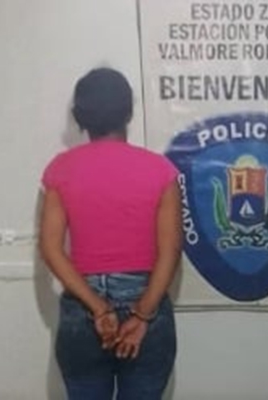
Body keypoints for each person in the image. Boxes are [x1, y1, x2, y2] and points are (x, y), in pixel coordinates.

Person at [39, 67, 182, 400]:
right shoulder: (161, 170)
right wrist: (142, 314)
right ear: (128, 113)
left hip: (83, 307)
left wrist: (98, 308)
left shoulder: (60, 169)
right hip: (145, 300)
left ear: (80, 117)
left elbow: (51, 249)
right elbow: (171, 250)